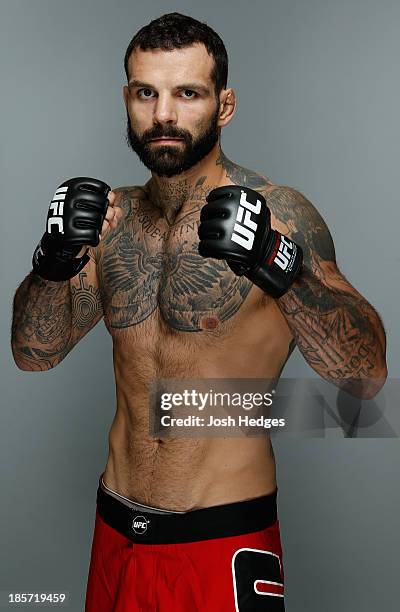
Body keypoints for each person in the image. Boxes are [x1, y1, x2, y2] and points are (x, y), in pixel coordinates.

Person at [11, 12, 387, 612]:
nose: (164, 114)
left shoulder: (280, 212)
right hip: (115, 535)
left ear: (225, 104)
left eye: (188, 93)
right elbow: (34, 353)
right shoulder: (111, 221)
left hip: (222, 540)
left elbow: (364, 380)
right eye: (146, 93)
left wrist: (277, 263)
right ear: (127, 100)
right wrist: (52, 262)